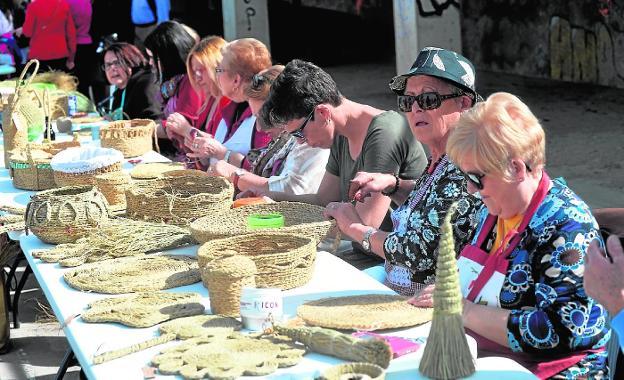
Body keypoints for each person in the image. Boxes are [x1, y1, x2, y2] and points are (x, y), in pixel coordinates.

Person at [410, 92, 609, 378]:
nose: (470, 189)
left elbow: (562, 330)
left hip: (553, 370)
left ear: (515, 168)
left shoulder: (568, 227)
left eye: (476, 178)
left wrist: (463, 310)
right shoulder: (494, 210)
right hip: (487, 357)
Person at [324, 48, 481, 286]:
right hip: (401, 286)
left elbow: (418, 252)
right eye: (408, 100)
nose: (416, 108)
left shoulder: (466, 164)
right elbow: (435, 205)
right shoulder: (442, 157)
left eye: (428, 99)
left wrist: (355, 228)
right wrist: (393, 185)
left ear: (464, 103)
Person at [258, 58, 428, 269]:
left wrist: (282, 219)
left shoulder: (385, 132)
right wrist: (269, 199)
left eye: (299, 133)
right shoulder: (341, 133)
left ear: (322, 113)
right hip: (368, 257)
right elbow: (323, 199)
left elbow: (364, 225)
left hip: (398, 266)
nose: (301, 142)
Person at [210, 65, 330, 196]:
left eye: (265, 117)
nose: (260, 128)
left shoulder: (310, 135)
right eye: (256, 118)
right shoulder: (283, 142)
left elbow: (295, 189)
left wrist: (236, 176)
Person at [186, 38, 272, 169]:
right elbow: (211, 164)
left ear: (236, 80)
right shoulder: (229, 108)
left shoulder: (265, 116)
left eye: (219, 70)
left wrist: (220, 152)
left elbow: (264, 170)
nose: (216, 76)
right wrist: (202, 149)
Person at [144, 20, 207, 159]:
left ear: (167, 57)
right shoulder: (175, 83)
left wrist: (141, 128)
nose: (150, 63)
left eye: (153, 57)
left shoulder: (190, 82)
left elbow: (180, 127)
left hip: (193, 160)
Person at [164, 35, 229, 162]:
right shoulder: (210, 101)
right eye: (194, 71)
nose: (197, 77)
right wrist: (180, 135)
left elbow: (223, 150)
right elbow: (203, 157)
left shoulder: (230, 103)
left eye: (202, 70)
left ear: (217, 66)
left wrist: (187, 130)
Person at [101, 42, 162, 121]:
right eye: (108, 65)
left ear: (132, 61)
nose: (112, 68)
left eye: (117, 63)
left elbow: (154, 121)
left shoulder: (145, 83)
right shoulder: (119, 91)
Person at [18, 0, 76, 72]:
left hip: (38, 55)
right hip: (60, 54)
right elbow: (71, 34)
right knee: (57, 82)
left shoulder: (33, 6)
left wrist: (22, 29)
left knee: (39, 82)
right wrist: (71, 59)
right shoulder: (64, 5)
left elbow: (27, 33)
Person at [66, 0, 93, 96]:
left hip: (71, 46)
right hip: (87, 43)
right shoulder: (87, 2)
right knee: (84, 85)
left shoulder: (66, 3)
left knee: (70, 86)